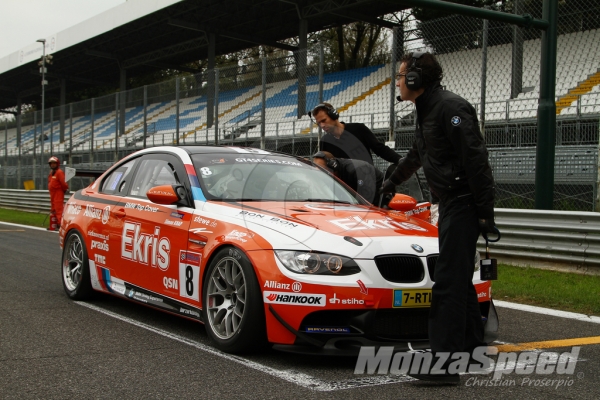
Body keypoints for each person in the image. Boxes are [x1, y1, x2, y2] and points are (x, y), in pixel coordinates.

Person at [381, 52, 496, 384]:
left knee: (446, 282)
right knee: (458, 280)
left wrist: (485, 213)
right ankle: (473, 353)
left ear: (416, 79)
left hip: (463, 204)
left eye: (401, 76)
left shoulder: (451, 108)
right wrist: (390, 182)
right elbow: (418, 154)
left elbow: (476, 160)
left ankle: (444, 367)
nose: (398, 83)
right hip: (449, 204)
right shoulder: (426, 111)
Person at [310, 103, 401, 166]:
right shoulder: (325, 141)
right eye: (319, 123)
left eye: (324, 120)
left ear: (334, 115)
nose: (322, 125)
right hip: (343, 189)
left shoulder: (359, 129)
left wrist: (400, 160)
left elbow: (379, 149)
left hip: (366, 184)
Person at [312, 151, 383, 205]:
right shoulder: (330, 177)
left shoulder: (357, 170)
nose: (321, 174)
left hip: (380, 200)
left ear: (333, 165)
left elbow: (368, 199)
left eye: (323, 170)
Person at [47, 156, 69, 231]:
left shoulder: (59, 172)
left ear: (57, 164)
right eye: (51, 163)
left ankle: (60, 224)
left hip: (58, 193)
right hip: (52, 193)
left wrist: (65, 189)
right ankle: (53, 224)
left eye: (54, 163)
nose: (53, 165)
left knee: (59, 209)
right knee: (53, 209)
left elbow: (63, 183)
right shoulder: (51, 173)